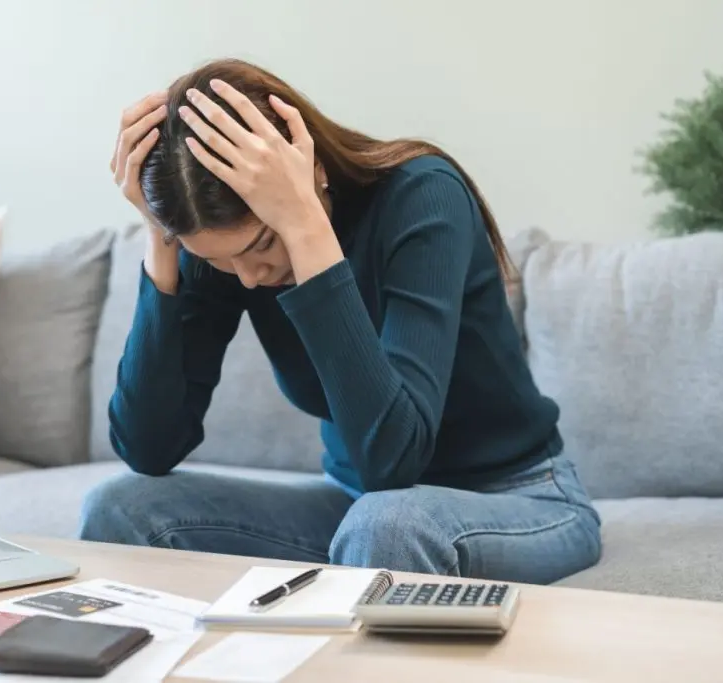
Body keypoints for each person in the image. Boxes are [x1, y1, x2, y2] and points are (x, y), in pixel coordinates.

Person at [78, 58, 602, 584]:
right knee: (121, 507)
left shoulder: (423, 196)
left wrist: (305, 232)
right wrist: (160, 240)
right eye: (220, 260)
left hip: (517, 496)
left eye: (263, 242)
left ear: (315, 172)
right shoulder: (224, 245)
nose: (250, 277)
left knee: (389, 527)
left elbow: (393, 461)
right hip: (358, 509)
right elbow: (148, 448)